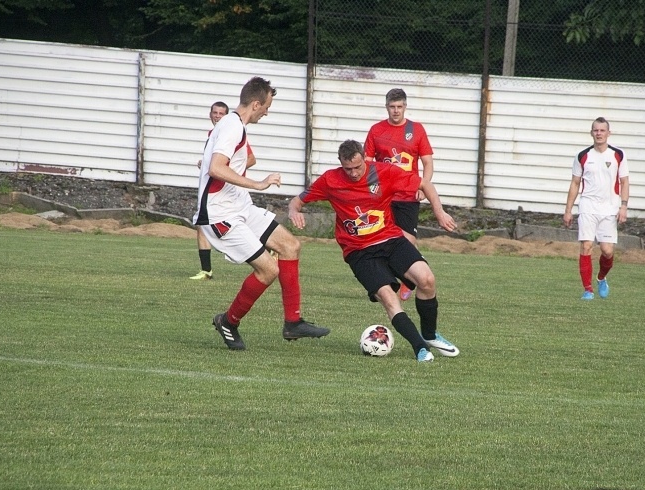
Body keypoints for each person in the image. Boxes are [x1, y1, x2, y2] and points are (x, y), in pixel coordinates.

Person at [288, 140, 458, 363]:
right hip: (359, 252)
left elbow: (424, 185)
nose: (354, 173)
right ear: (340, 163)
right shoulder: (330, 180)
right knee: (388, 298)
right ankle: (420, 348)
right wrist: (294, 211)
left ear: (363, 158)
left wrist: (440, 213)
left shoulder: (383, 172)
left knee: (426, 279)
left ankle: (430, 334)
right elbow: (297, 201)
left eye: (358, 167)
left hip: (390, 239)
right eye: (348, 169)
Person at [193, 76, 329, 349]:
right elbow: (216, 168)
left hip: (239, 206)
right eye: (267, 106)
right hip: (220, 214)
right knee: (268, 269)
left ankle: (293, 323)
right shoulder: (232, 127)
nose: (267, 111)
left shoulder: (234, 125)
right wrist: (258, 183)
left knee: (290, 246)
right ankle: (228, 322)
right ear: (255, 104)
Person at [364, 88, 434, 301]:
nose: (396, 111)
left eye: (399, 107)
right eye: (392, 107)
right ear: (387, 107)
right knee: (378, 238)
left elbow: (427, 162)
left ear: (405, 107)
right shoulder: (376, 130)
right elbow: (367, 163)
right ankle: (382, 284)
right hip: (384, 196)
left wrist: (424, 185)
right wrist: (372, 188)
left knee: (408, 239)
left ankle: (411, 278)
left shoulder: (416, 130)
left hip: (407, 194)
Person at [563, 117, 630, 300]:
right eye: (595, 130)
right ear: (591, 133)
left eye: (602, 130)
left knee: (607, 251)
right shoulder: (583, 156)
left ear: (608, 133)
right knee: (586, 246)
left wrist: (623, 206)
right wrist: (568, 210)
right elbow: (575, 183)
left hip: (610, 208)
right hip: (588, 206)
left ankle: (601, 278)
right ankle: (587, 289)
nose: (599, 133)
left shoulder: (618, 155)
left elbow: (624, 182)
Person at [191, 101, 257, 280]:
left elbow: (250, 159)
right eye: (215, 113)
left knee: (240, 227)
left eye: (221, 113)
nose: (217, 116)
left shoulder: (232, 130)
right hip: (214, 192)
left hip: (226, 194)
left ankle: (268, 250)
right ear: (210, 114)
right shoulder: (215, 133)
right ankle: (206, 270)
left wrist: (226, 171)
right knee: (201, 226)